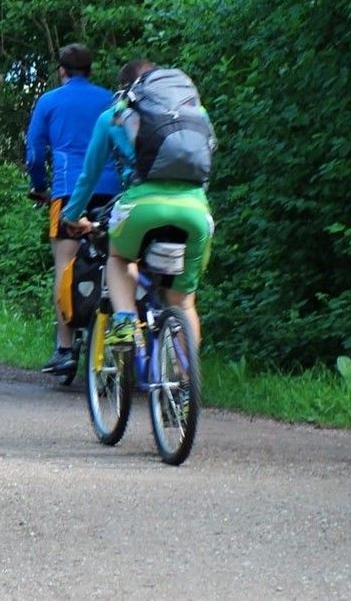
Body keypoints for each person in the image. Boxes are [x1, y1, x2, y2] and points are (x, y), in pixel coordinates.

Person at [61, 59, 215, 361]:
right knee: (184, 303)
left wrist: (72, 216)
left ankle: (125, 322)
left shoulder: (115, 115)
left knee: (119, 258)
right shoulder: (196, 112)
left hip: (141, 207)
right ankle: (185, 378)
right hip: (195, 211)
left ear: (126, 88)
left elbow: (89, 176)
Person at [25, 43, 120, 374]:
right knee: (116, 261)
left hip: (68, 190)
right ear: (90, 70)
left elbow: (35, 151)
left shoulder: (49, 100)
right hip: (112, 191)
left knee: (64, 264)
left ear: (62, 71)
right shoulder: (110, 99)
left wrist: (39, 185)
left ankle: (65, 349)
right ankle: (117, 343)